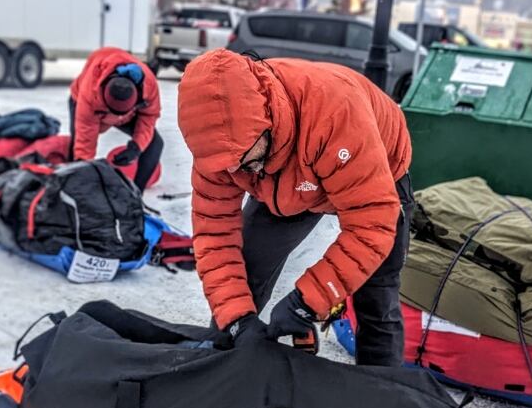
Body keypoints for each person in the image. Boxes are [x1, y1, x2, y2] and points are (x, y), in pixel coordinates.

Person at [177, 49, 415, 366]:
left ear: (265, 118)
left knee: (377, 293)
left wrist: (307, 302)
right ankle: (221, 367)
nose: (238, 171)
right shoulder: (221, 155)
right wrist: (237, 319)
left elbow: (371, 226)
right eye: (229, 165)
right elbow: (215, 237)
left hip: (373, 169)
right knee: (245, 272)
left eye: (244, 158)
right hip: (286, 180)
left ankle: (383, 394)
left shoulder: (335, 113)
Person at [69, 47, 162, 191]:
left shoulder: (148, 86)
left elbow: (148, 116)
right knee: (77, 152)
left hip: (125, 112)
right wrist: (84, 174)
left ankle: (136, 194)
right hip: (85, 103)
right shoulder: (90, 93)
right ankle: (72, 189)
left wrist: (136, 147)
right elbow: (85, 139)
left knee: (155, 143)